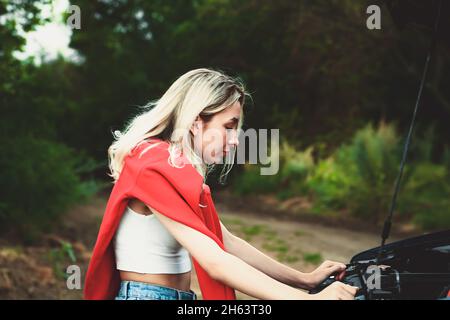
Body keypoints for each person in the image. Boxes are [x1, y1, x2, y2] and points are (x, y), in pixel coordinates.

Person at [84, 68, 358, 300]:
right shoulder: (151, 167)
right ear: (196, 122)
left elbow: (225, 242)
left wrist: (304, 280)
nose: (236, 139)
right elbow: (215, 261)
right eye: (229, 126)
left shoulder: (174, 170)